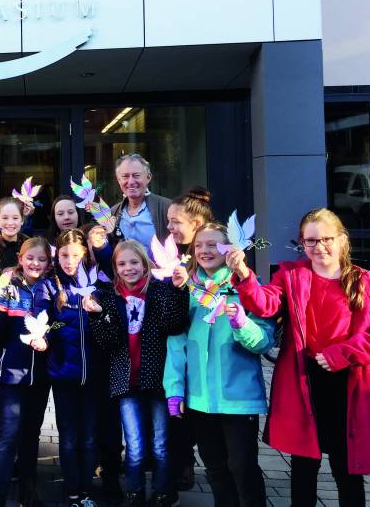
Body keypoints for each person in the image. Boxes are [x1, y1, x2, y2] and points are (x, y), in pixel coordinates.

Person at [228, 208, 370, 506]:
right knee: (303, 466)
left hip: (348, 386)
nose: (318, 246)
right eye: (310, 241)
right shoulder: (291, 276)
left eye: (326, 239)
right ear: (302, 242)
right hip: (304, 383)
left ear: (342, 240)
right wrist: (245, 275)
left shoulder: (365, 283)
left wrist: (344, 353)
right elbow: (265, 304)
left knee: (347, 469)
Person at [163, 222, 274, 507]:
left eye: (213, 245)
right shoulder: (186, 289)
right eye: (199, 245)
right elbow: (176, 344)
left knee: (242, 468)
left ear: (230, 249)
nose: (204, 251)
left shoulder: (248, 286)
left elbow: (263, 342)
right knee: (215, 469)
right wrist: (174, 389)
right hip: (199, 400)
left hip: (238, 399)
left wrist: (241, 322)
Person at [85, 240, 189, 507]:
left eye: (134, 262)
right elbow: (107, 343)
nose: (128, 268)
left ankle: (163, 491)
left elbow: (175, 325)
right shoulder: (109, 296)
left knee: (161, 444)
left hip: (157, 380)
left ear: (145, 264)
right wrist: (97, 316)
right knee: (134, 444)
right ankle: (134, 492)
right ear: (115, 268)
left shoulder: (160, 291)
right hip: (125, 382)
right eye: (122, 264)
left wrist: (179, 291)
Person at [0, 237, 52, 507]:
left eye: (42, 259)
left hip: (39, 376)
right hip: (10, 374)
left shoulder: (50, 290)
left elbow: (58, 326)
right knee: (7, 435)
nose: (35, 263)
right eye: (30, 258)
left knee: (31, 434)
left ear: (48, 263)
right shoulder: (7, 290)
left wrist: (48, 340)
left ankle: (27, 490)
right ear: (21, 259)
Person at [38, 229, 101, 507]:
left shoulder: (98, 282)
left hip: (94, 375)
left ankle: (87, 491)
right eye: (64, 255)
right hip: (64, 374)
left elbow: (109, 323)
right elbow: (49, 322)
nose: (69, 260)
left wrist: (98, 314)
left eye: (75, 255)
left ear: (85, 255)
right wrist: (47, 334)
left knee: (88, 438)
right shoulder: (51, 285)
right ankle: (72, 491)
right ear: (57, 255)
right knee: (69, 436)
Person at [163, 186, 213, 491]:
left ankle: (188, 464)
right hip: (176, 353)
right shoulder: (174, 257)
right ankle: (180, 466)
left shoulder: (209, 260)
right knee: (176, 415)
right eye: (168, 221)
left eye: (175, 221)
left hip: (203, 354)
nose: (169, 227)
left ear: (195, 224)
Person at [109, 154, 172, 251]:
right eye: (125, 176)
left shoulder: (166, 208)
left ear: (148, 177)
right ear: (119, 180)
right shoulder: (113, 213)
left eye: (136, 175)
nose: (130, 181)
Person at [0, 198, 30, 270]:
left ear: (22, 220)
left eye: (15, 218)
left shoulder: (29, 245)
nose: (10, 223)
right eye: (5, 218)